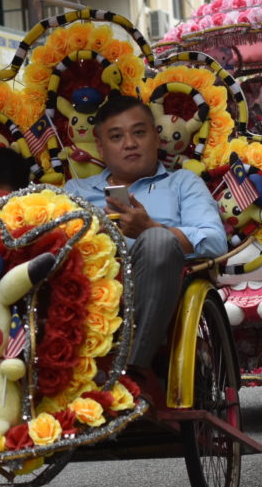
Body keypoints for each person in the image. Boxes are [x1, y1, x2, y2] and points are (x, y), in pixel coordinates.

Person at [64, 94, 227, 397]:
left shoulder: (182, 183)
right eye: (116, 136)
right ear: (101, 146)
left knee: (157, 241)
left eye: (139, 132)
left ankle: (132, 369)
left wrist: (150, 228)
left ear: (156, 136)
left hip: (160, 293)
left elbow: (215, 240)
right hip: (86, 296)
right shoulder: (76, 191)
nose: (130, 143)